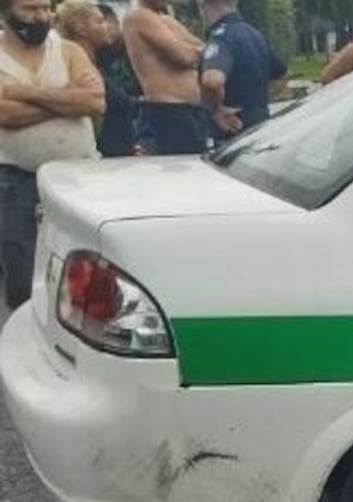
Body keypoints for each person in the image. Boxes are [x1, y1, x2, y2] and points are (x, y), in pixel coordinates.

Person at [0, 0, 104, 309]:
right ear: (5, 11)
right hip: (17, 183)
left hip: (79, 176)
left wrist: (25, 93)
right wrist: (65, 101)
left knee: (85, 266)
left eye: (46, 8)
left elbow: (94, 101)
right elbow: (5, 114)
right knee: (23, 273)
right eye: (30, 9)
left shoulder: (69, 51)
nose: (42, 17)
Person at [123, 0, 206, 154]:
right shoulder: (139, 16)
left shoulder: (164, 19)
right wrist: (192, 49)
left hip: (188, 109)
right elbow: (184, 56)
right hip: (169, 108)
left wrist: (190, 48)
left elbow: (202, 46)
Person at [197, 0, 287, 142]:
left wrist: (217, 110)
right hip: (260, 128)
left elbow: (212, 81)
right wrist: (256, 105)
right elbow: (280, 75)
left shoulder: (221, 37)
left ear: (203, 5)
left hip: (232, 135)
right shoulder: (255, 34)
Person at [57, 1, 137, 157]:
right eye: (100, 21)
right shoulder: (77, 70)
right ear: (81, 30)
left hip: (121, 159)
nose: (107, 26)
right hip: (100, 165)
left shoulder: (100, 62)